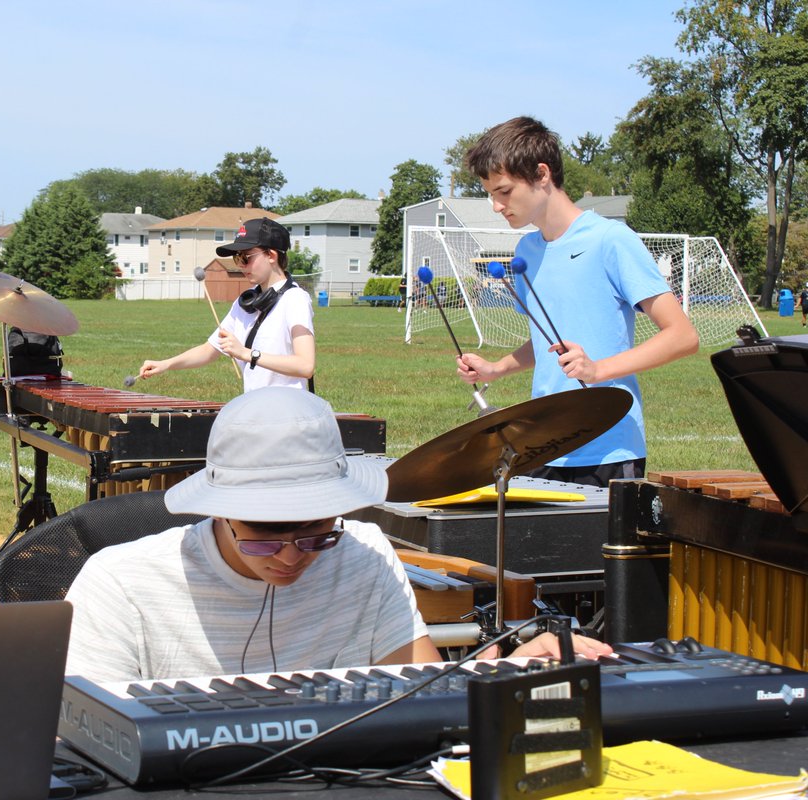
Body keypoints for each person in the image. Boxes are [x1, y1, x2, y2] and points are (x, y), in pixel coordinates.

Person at [64, 387, 611, 683]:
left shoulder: (366, 556)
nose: (289, 556)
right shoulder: (122, 582)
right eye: (263, 535)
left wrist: (506, 669)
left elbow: (422, 688)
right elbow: (81, 736)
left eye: (315, 534)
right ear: (220, 511)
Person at [456, 116, 699, 487]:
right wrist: (496, 368)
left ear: (541, 174)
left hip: (608, 450)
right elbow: (549, 343)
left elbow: (682, 336)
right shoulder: (527, 251)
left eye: (503, 192)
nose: (496, 205)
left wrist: (598, 370)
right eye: (491, 194)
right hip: (541, 447)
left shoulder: (610, 240)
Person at [138, 218, 315, 392]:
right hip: (255, 408)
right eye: (237, 258)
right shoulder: (246, 302)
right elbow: (209, 350)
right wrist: (166, 364)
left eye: (246, 258)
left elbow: (305, 365)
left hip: (288, 411)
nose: (241, 266)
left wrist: (247, 353)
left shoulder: (295, 299)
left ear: (271, 255)